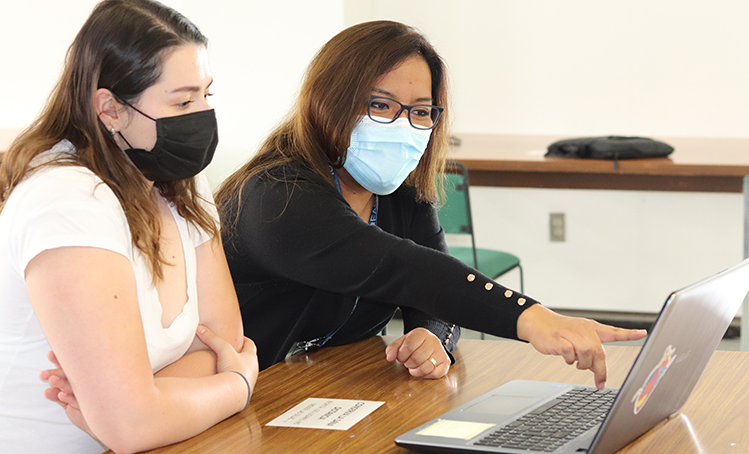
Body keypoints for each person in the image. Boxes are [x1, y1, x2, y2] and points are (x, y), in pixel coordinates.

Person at [215, 20, 645, 383]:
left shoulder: (402, 195)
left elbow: (433, 294)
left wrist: (431, 336)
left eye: (420, 111)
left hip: (332, 391)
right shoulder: (277, 195)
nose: (404, 126)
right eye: (381, 105)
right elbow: (402, 269)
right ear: (328, 102)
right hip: (245, 399)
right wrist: (532, 318)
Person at [0, 1, 257, 454]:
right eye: (182, 103)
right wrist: (236, 387)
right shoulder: (67, 201)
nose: (203, 116)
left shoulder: (179, 183)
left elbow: (226, 341)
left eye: (206, 95)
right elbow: (132, 423)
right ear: (110, 108)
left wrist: (144, 397)